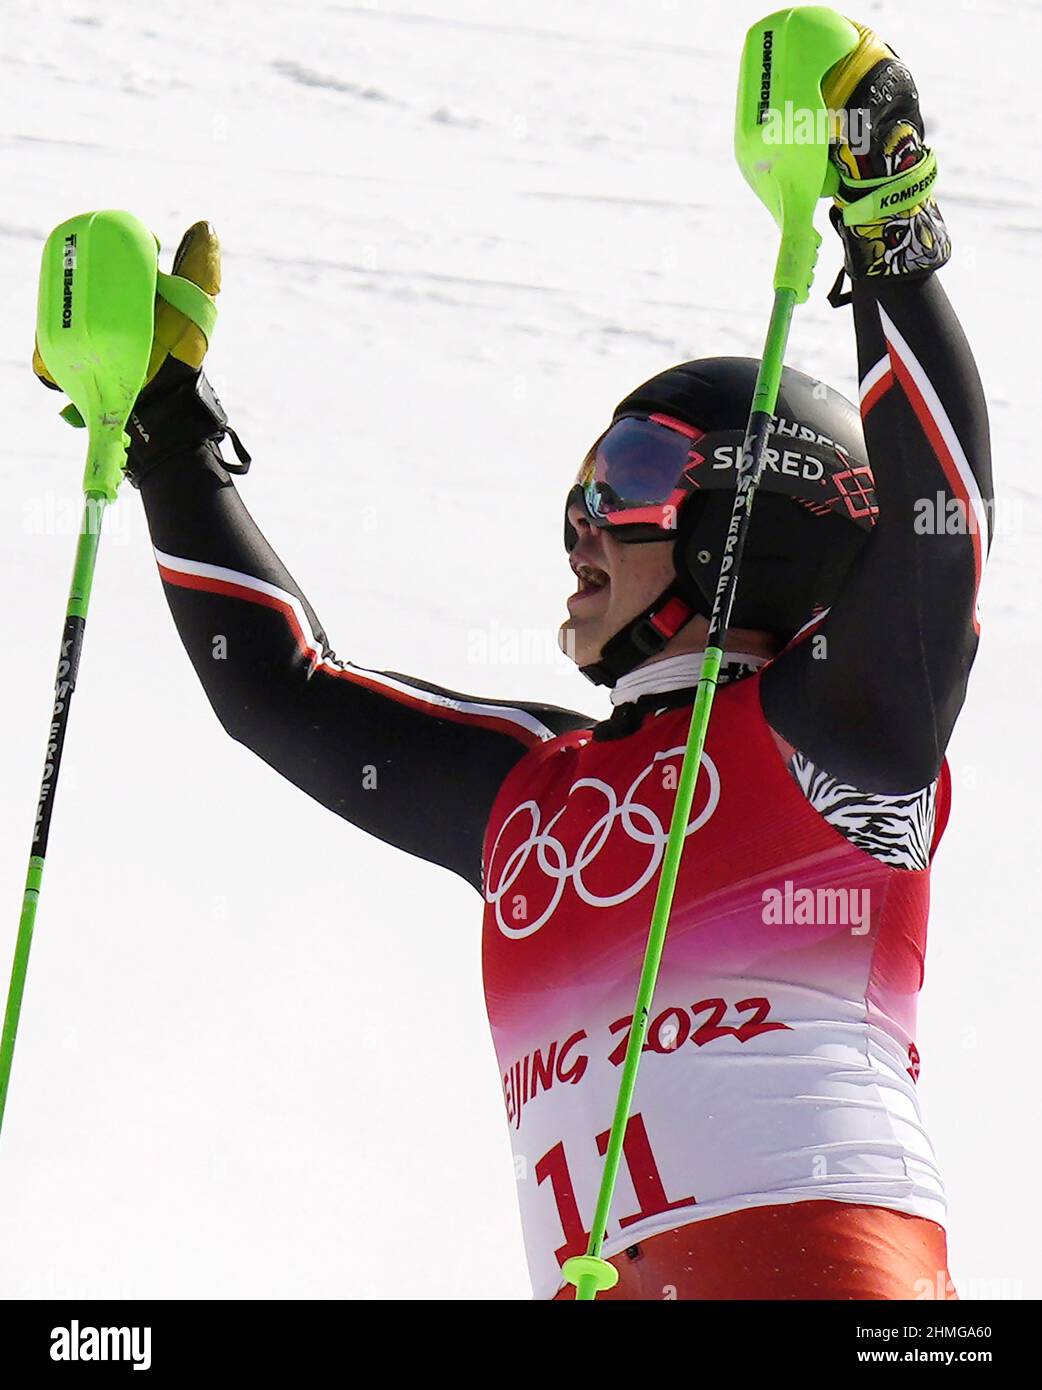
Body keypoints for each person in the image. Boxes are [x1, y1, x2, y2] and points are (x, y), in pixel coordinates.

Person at [34, 20, 991, 1300]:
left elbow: (939, 538)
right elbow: (282, 692)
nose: (584, 522)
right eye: (581, 487)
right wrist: (161, 437)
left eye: (634, 476)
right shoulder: (532, 791)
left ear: (755, 522)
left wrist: (891, 228)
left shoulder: (841, 735)